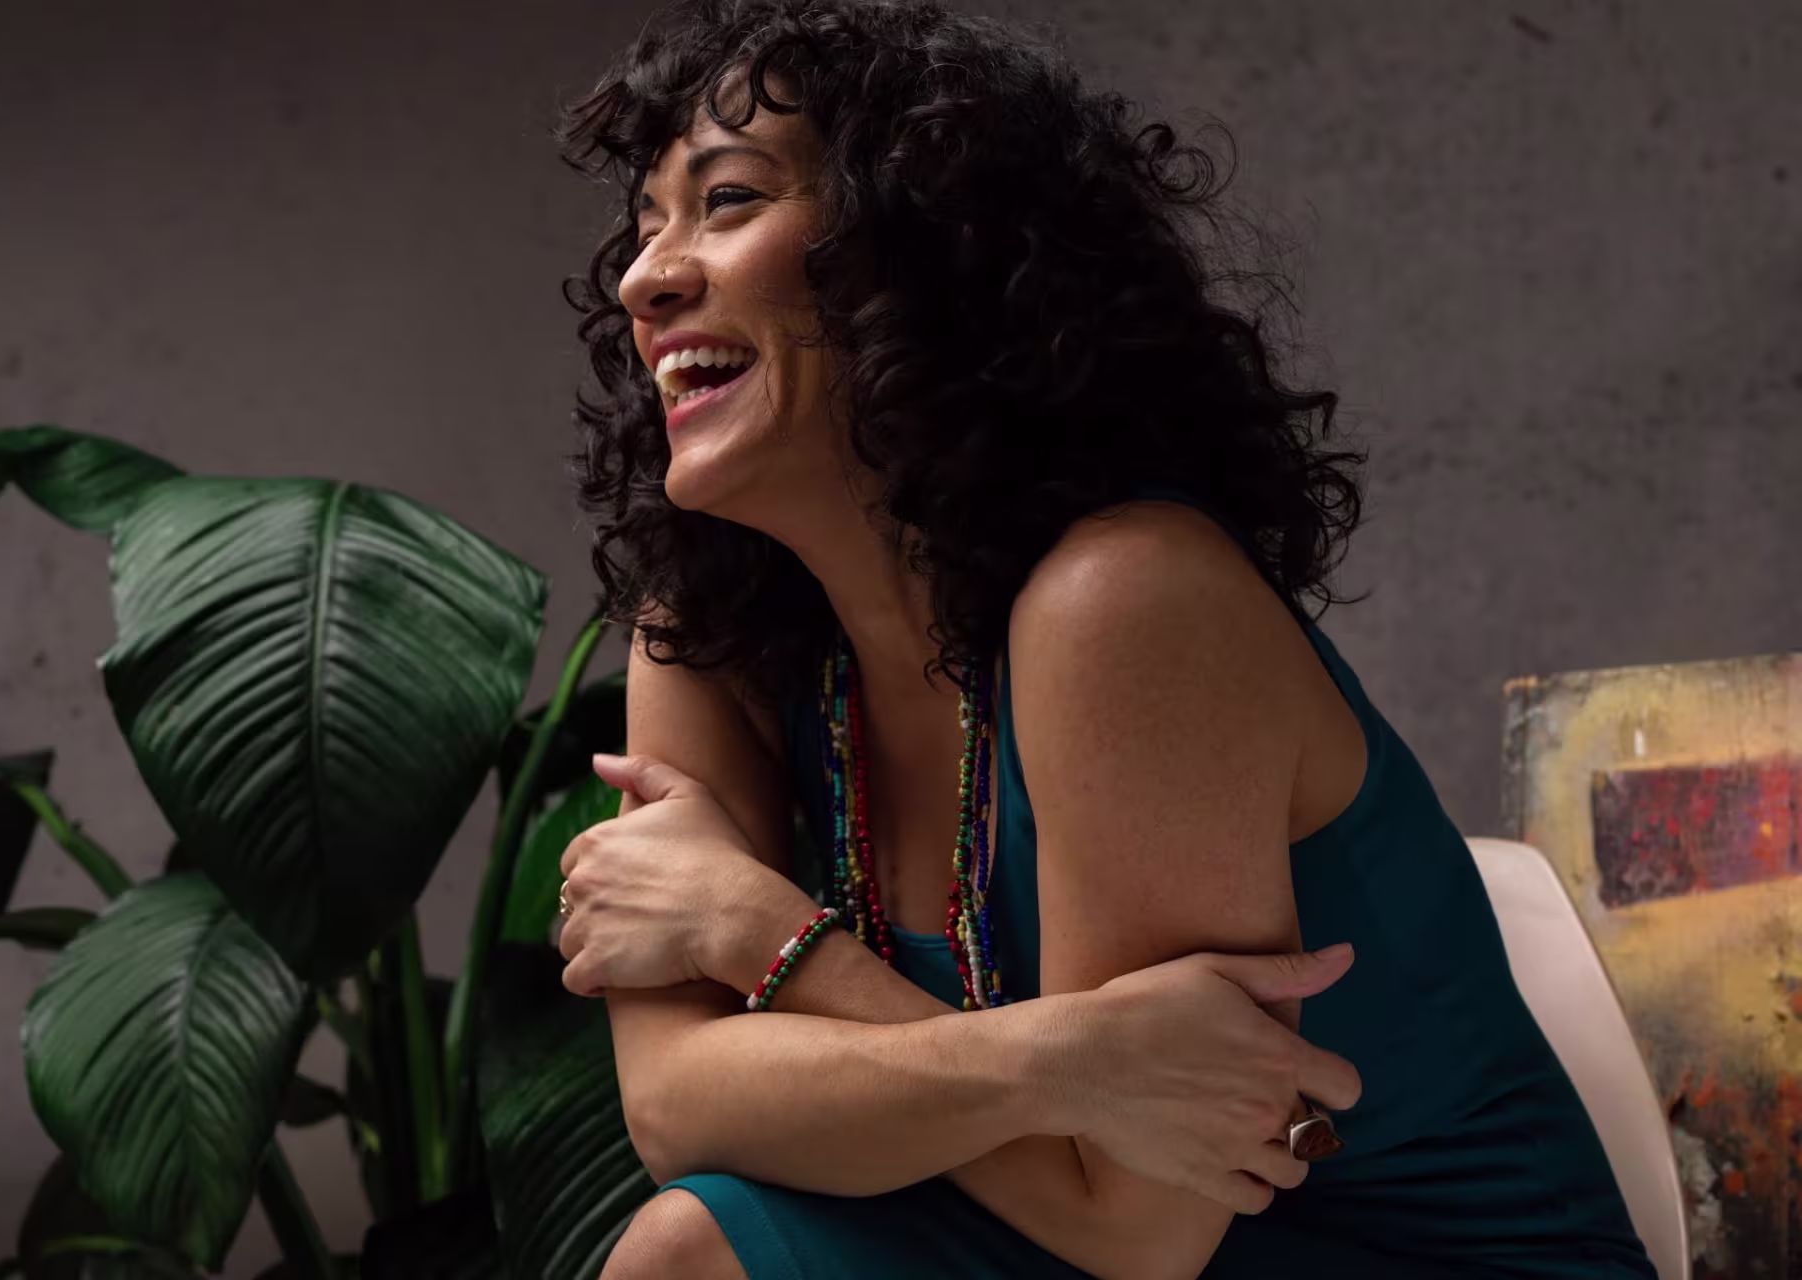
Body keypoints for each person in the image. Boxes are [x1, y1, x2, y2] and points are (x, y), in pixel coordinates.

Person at [548, 1, 1657, 1276]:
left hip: (1379, 1256)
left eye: (727, 201)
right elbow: (676, 1106)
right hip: (1054, 1242)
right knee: (687, 1247)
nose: (646, 278)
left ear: (923, 247)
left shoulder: (1123, 600)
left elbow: (1134, 1225)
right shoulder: (712, 637)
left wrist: (754, 928)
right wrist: (1063, 1060)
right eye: (644, 232)